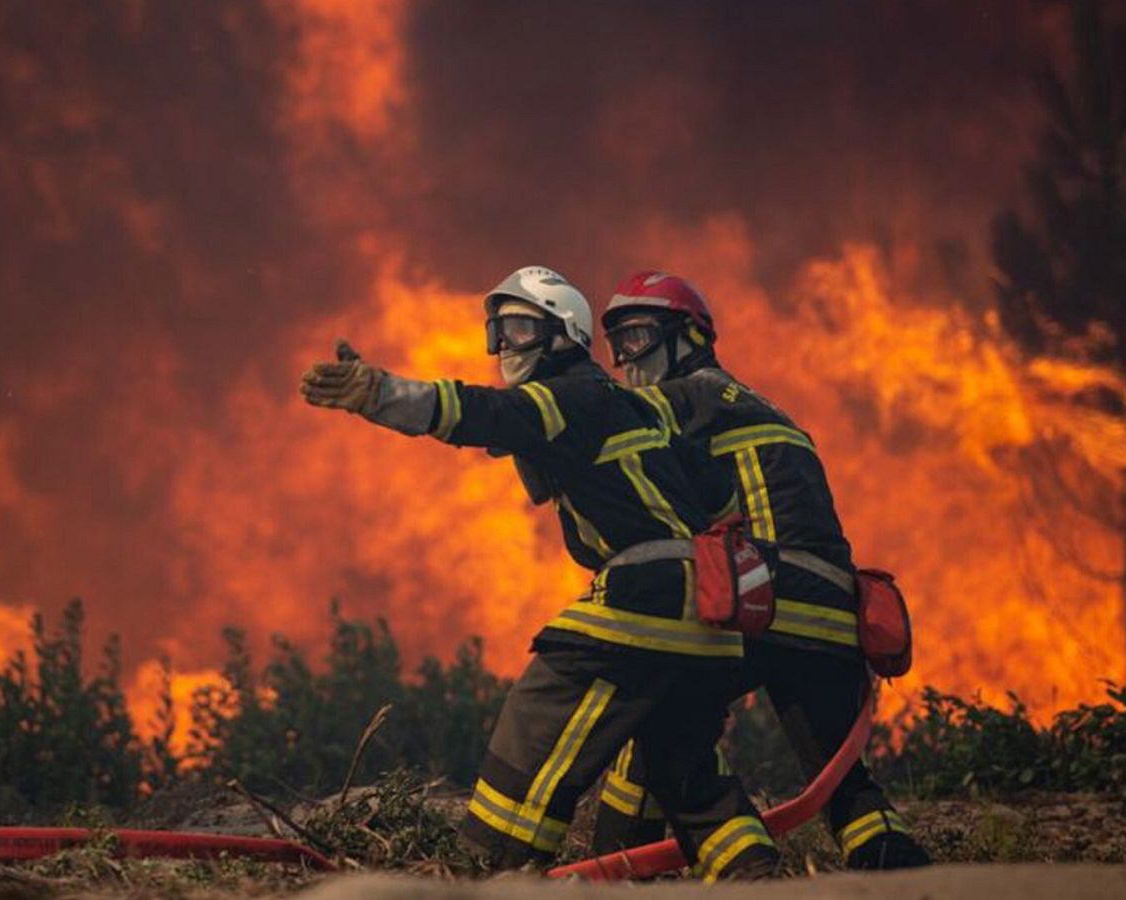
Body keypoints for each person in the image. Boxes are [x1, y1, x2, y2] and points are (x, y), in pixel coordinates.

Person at [300, 266, 779, 879]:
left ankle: (491, 870)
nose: (504, 347)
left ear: (565, 335)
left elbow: (481, 413)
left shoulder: (568, 393)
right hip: (709, 613)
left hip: (648, 592)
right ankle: (756, 876)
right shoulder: (632, 405)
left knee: (537, 713)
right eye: (497, 331)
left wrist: (377, 393)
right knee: (680, 764)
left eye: (522, 328)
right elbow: (715, 497)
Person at [590, 270, 931, 869]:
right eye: (617, 346)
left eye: (639, 337)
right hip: (831, 612)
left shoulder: (684, 397)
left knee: (660, 715)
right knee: (838, 769)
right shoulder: (762, 406)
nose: (626, 359)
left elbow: (601, 421)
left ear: (689, 338)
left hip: (764, 601)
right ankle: (888, 857)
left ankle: (724, 858)